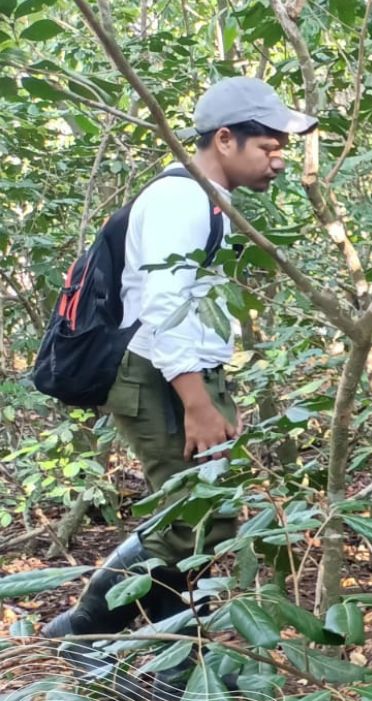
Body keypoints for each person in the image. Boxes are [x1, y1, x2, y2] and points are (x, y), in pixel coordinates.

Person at [43, 78, 317, 660]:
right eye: (268, 146)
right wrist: (197, 403)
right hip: (158, 375)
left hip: (182, 373)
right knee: (189, 522)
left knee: (202, 519)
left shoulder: (209, 199)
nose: (278, 160)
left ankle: (140, 643)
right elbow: (164, 313)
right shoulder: (181, 201)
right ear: (224, 139)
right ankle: (113, 641)